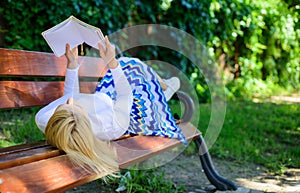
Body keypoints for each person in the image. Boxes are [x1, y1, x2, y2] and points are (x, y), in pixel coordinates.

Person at [35, 36, 186, 178]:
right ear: (86, 119)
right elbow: (125, 95)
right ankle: (165, 90)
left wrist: (72, 65)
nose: (70, 101)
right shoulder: (112, 126)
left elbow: (72, 98)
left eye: (65, 106)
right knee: (135, 72)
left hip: (104, 98)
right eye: (75, 106)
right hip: (130, 109)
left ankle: (159, 84)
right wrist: (111, 61)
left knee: (128, 63)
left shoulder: (45, 119)